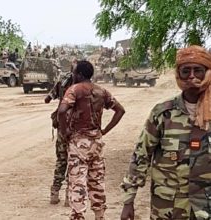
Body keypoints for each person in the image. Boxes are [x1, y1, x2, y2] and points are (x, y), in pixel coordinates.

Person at [120, 45, 211, 220]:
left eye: (198, 70)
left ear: (207, 72)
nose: (191, 76)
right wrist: (128, 200)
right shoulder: (163, 113)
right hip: (168, 208)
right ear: (178, 74)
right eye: (186, 71)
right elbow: (141, 155)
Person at [58, 60, 125, 220]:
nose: (72, 75)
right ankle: (99, 215)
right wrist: (104, 131)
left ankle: (78, 215)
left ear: (79, 74)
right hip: (97, 141)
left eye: (74, 72)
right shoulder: (101, 91)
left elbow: (62, 111)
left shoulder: (74, 90)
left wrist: (65, 130)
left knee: (77, 181)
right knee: (97, 180)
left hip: (79, 141)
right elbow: (120, 110)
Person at [45, 61, 75, 207]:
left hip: (63, 128)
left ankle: (55, 193)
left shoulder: (63, 82)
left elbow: (48, 97)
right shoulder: (81, 86)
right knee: (73, 162)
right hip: (75, 129)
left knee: (61, 161)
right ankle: (69, 196)